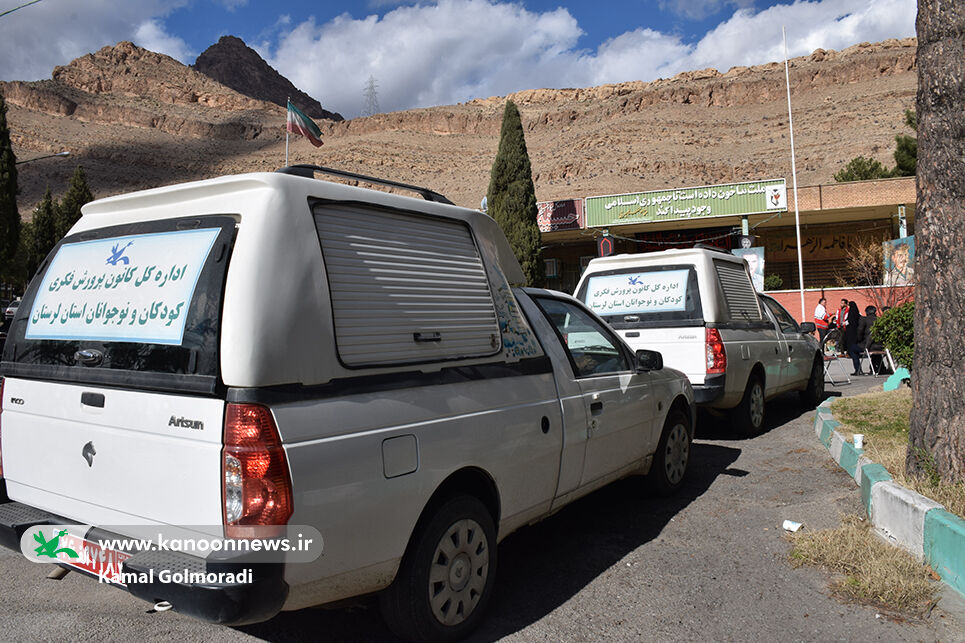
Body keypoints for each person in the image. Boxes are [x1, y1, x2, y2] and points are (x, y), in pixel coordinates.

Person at [844, 301, 863, 375]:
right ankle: (858, 369)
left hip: (851, 337)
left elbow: (849, 322)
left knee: (853, 352)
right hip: (857, 338)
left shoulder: (850, 314)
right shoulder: (858, 315)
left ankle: (857, 369)